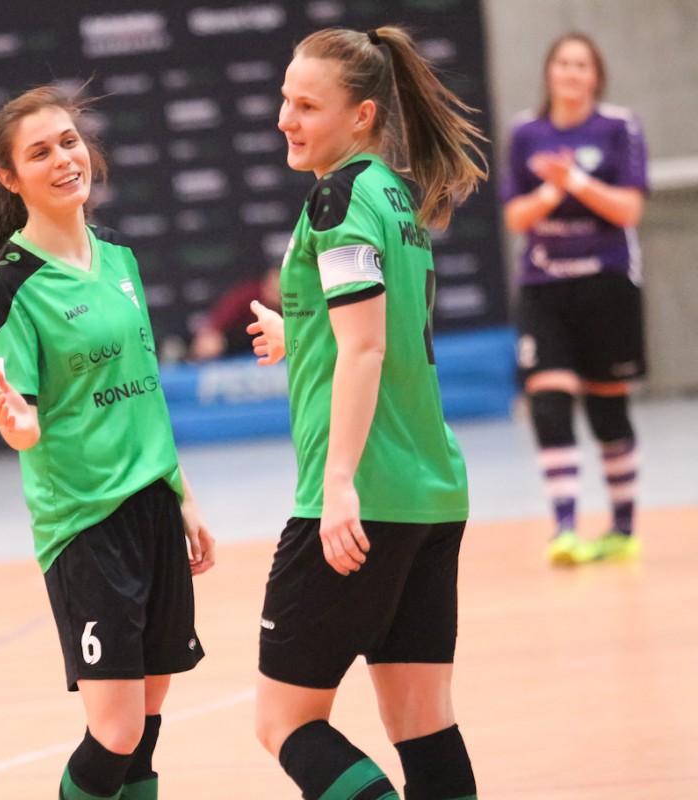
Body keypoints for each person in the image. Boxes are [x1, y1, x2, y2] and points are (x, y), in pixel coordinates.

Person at [246, 27, 485, 799]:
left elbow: (366, 347)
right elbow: (375, 329)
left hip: (364, 496)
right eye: (285, 99)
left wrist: (338, 483)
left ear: (362, 116)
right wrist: (299, 332)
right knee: (422, 720)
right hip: (431, 493)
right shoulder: (394, 197)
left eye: (307, 105)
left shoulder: (338, 199)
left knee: (284, 720)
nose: (285, 118)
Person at [0, 85, 214, 800]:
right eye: (40, 152)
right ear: (10, 178)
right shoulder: (9, 287)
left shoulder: (119, 258)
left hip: (152, 507)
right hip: (86, 523)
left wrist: (182, 497)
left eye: (69, 142)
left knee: (148, 719)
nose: (63, 159)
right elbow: (22, 414)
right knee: (115, 731)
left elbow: (145, 394)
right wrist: (18, 426)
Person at [502, 32, 648, 567]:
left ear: (596, 76)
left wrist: (576, 182)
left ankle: (623, 529)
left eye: (581, 65)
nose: (570, 73)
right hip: (544, 286)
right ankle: (565, 527)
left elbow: (628, 210)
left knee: (608, 408)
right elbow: (515, 216)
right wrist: (550, 191)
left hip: (607, 282)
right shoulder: (526, 132)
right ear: (549, 72)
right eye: (563, 63)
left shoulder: (618, 126)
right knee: (548, 400)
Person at [189, 266, 281, 360]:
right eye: (273, 290)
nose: (277, 295)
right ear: (265, 284)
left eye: (281, 292)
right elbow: (214, 328)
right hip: (237, 342)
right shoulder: (247, 295)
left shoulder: (289, 304)